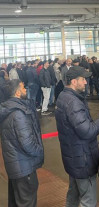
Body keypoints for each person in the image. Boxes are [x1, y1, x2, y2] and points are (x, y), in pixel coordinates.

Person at [55, 66, 99, 206]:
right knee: (88, 200)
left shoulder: (64, 96)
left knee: (73, 195)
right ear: (74, 82)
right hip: (83, 159)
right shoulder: (73, 102)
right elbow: (86, 131)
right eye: (83, 79)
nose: (86, 82)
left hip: (73, 156)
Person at [0, 79, 44, 207]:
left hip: (15, 166)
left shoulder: (7, 109)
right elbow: (27, 143)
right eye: (23, 88)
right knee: (27, 202)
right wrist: (39, 150)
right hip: (24, 167)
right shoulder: (18, 113)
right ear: (18, 92)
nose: (26, 90)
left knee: (16, 201)